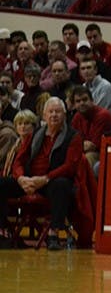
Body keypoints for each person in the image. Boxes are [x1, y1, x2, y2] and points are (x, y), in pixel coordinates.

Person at [2, 97, 83, 250]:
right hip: (29, 181)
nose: (54, 115)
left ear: (64, 115)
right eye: (50, 112)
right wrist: (21, 179)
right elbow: (19, 161)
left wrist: (45, 179)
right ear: (44, 116)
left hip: (52, 181)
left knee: (61, 185)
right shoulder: (35, 134)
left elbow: (70, 167)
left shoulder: (73, 136)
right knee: (2, 184)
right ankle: (4, 231)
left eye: (58, 112)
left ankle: (54, 233)